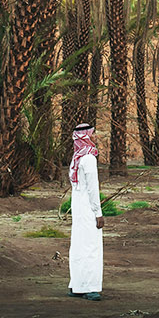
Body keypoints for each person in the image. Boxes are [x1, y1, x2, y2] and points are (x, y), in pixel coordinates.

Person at [67, 122, 104, 300]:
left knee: (79, 244)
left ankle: (77, 284)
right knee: (91, 246)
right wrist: (98, 212)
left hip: (78, 206)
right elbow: (92, 188)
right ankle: (89, 287)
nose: (96, 137)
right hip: (88, 207)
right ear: (87, 136)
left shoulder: (77, 157)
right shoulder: (88, 158)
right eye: (93, 134)